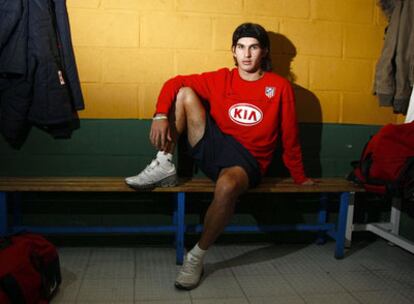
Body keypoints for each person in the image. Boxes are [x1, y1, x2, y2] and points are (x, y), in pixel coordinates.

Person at [125, 23, 314, 290]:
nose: (247, 54)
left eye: (254, 47)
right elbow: (175, 80)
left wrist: (299, 176)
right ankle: (164, 162)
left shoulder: (279, 87)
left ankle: (196, 257)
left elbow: (290, 134)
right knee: (184, 92)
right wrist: (159, 115)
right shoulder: (221, 78)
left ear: (264, 52)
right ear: (233, 52)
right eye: (241, 47)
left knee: (226, 186)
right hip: (216, 146)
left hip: (248, 160)